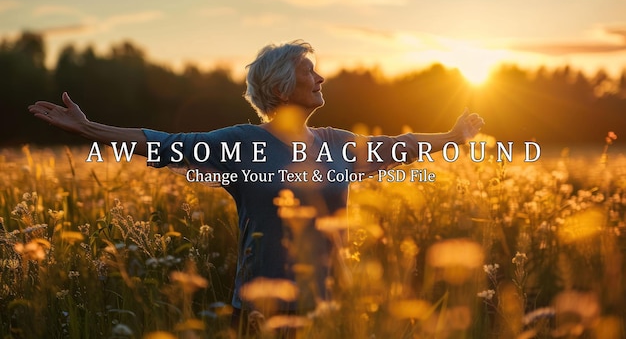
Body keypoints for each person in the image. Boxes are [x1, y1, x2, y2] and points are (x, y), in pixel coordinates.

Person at [29, 39, 484, 333]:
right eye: (310, 70)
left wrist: (450, 138)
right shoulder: (244, 144)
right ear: (283, 87)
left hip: (332, 307)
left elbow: (396, 147)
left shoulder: (335, 144)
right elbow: (166, 144)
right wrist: (91, 130)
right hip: (265, 308)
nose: (321, 77)